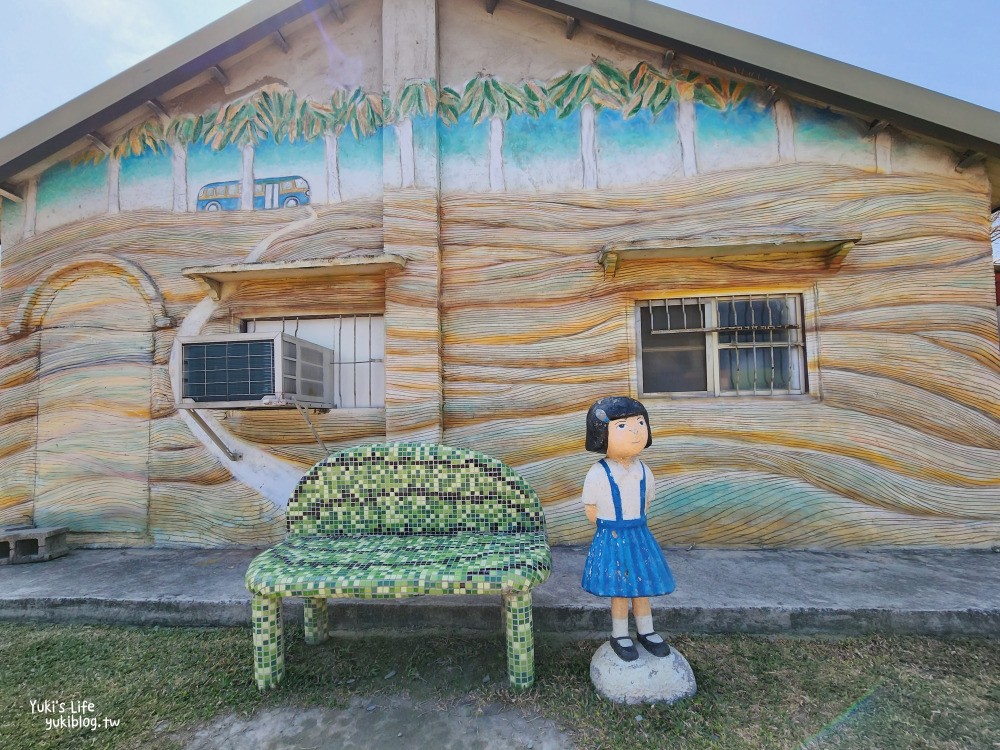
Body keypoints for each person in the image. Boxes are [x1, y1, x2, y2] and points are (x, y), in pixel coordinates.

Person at [581, 396, 675, 661]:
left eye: (640, 423)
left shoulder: (644, 470)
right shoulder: (598, 473)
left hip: (639, 533)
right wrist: (610, 527)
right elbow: (591, 509)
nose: (635, 431)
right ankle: (620, 633)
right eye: (622, 426)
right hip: (612, 535)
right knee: (620, 588)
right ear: (601, 434)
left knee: (642, 585)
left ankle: (647, 630)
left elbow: (647, 502)